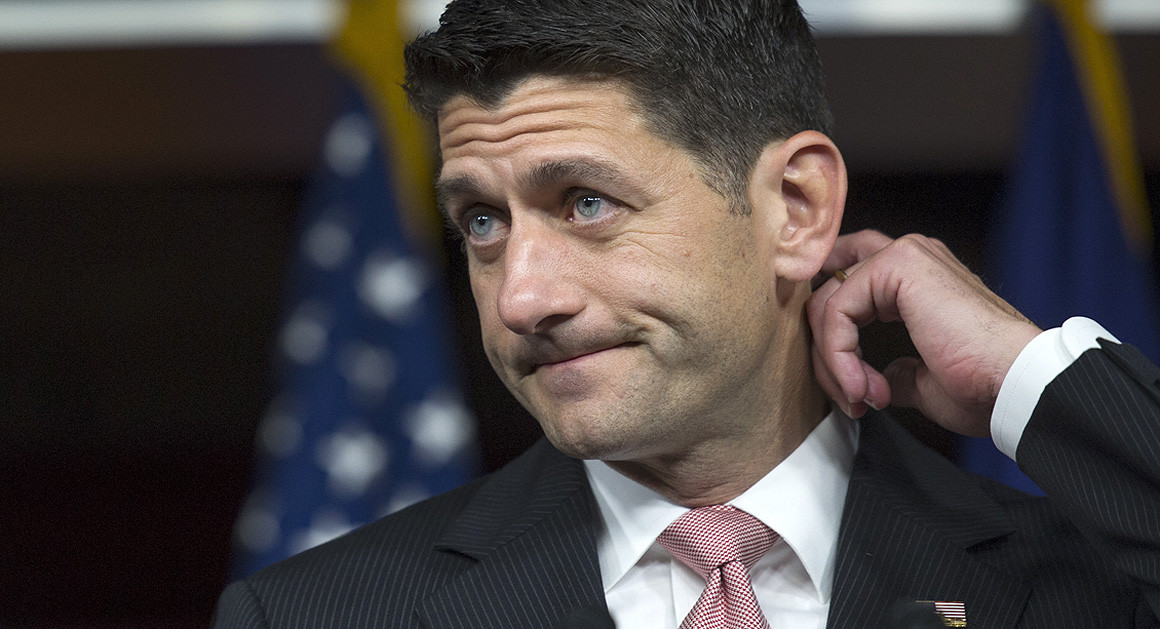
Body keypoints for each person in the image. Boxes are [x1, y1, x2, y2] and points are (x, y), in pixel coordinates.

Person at [214, 0, 1160, 626]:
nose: (521, 297)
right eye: (482, 220)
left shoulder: (1092, 589)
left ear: (795, 207)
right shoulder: (313, 615)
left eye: (587, 202)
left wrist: (1030, 373)